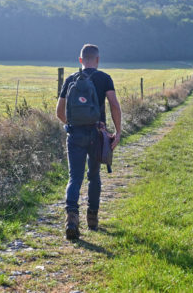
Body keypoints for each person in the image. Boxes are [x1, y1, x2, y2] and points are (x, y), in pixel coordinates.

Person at [56, 44, 122, 240]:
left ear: (80, 60)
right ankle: (92, 219)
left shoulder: (70, 80)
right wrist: (117, 132)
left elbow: (59, 113)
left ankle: (71, 219)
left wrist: (74, 125)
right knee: (94, 176)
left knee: (74, 177)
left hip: (75, 135)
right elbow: (114, 105)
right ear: (98, 60)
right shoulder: (104, 78)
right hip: (97, 133)